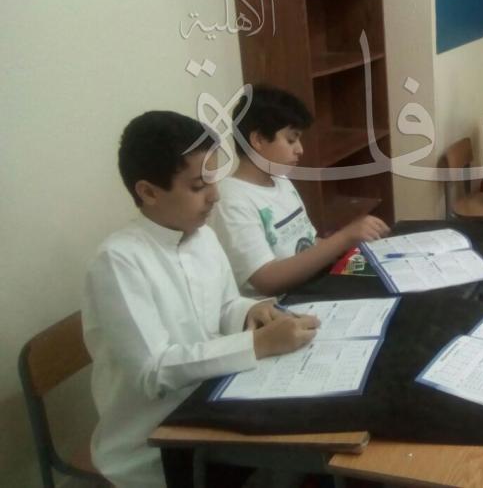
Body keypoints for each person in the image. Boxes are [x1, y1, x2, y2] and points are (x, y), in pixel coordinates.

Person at [82, 111, 319, 488]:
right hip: (154, 438)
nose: (215, 195)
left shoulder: (200, 234)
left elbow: (223, 306)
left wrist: (253, 311)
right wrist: (257, 344)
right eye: (198, 186)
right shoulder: (119, 261)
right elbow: (153, 371)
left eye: (214, 179)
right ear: (148, 192)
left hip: (213, 398)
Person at [209, 86, 389, 296]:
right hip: (281, 306)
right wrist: (344, 238)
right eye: (291, 140)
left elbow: (309, 243)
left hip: (314, 285)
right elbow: (266, 280)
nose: (300, 149)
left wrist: (350, 246)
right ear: (257, 140)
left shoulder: (281, 180)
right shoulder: (232, 199)